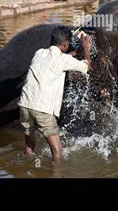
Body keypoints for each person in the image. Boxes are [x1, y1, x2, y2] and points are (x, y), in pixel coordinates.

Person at [17, 26, 92, 163]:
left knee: (29, 146)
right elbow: (87, 67)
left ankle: (27, 167)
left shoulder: (39, 53)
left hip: (25, 104)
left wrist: (73, 54)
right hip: (42, 108)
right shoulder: (64, 60)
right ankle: (56, 174)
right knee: (57, 151)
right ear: (65, 44)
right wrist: (86, 48)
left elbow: (55, 59)